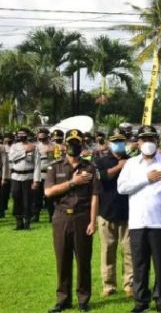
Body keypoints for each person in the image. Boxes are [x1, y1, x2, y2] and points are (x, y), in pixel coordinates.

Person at [117, 125, 161, 313]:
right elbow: (121, 188)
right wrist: (146, 178)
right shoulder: (131, 164)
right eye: (144, 139)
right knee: (139, 264)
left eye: (152, 139)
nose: (148, 143)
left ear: (157, 141)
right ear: (138, 143)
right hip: (138, 222)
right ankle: (141, 302)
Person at [44, 129, 101, 313]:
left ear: (82, 145)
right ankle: (63, 299)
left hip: (82, 217)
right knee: (62, 260)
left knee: (83, 260)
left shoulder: (90, 168)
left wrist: (93, 221)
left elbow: (94, 196)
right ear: (64, 144)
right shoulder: (55, 167)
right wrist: (73, 182)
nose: (73, 146)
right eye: (70, 142)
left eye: (76, 143)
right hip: (61, 217)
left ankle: (83, 299)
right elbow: (49, 192)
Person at [94, 128, 133, 298]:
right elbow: (102, 177)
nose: (118, 145)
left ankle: (130, 284)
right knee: (107, 250)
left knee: (129, 251)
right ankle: (108, 285)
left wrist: (125, 164)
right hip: (106, 212)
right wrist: (119, 166)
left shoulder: (133, 161)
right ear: (109, 144)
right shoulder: (101, 161)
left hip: (128, 213)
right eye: (115, 142)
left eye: (121, 141)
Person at [5, 127, 40, 230]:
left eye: (23, 134)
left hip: (29, 176)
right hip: (16, 176)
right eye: (19, 134)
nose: (21, 136)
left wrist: (36, 180)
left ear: (27, 135)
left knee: (28, 200)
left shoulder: (34, 147)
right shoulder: (14, 146)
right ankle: (18, 221)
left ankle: (27, 222)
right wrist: (24, 152)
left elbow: (37, 164)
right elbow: (11, 158)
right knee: (16, 198)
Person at [34, 127, 55, 222]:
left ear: (48, 137)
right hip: (39, 174)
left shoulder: (54, 146)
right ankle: (36, 215)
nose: (41, 140)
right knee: (37, 196)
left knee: (50, 197)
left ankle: (52, 216)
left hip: (50, 174)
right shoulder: (36, 147)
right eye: (40, 138)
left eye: (43, 138)